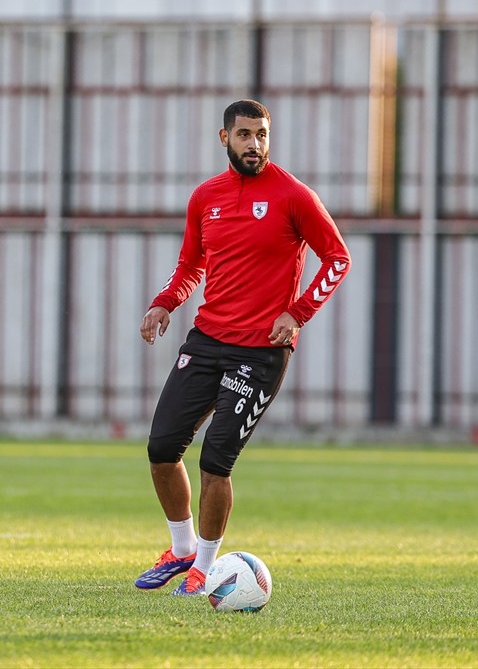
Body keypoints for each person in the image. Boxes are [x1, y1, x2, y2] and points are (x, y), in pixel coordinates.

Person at [134, 99, 351, 596]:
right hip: (207, 339)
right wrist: (165, 303)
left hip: (260, 351)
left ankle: (205, 568)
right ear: (224, 138)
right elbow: (191, 264)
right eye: (245, 135)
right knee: (162, 446)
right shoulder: (205, 197)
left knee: (216, 460)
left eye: (262, 134)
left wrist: (296, 313)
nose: (255, 144)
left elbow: (337, 258)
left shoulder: (293, 195)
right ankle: (182, 547)